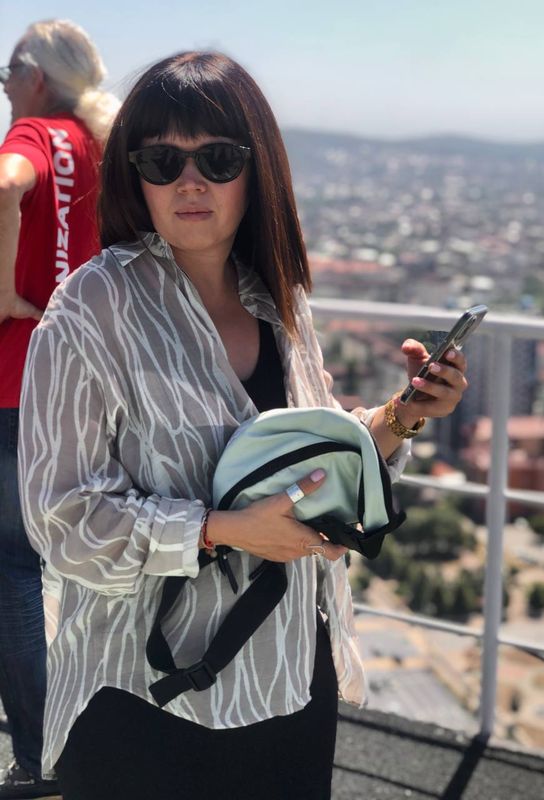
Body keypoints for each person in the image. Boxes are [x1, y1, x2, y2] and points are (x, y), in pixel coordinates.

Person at [18, 51, 467, 800]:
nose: (190, 182)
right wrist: (221, 531)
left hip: (286, 677)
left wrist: (402, 416)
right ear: (136, 176)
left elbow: (310, 457)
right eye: (163, 161)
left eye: (218, 159)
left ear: (256, 171)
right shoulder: (90, 311)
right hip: (144, 697)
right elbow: (60, 520)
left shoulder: (279, 300)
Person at [0, 19, 119, 799]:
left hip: (16, 385)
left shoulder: (34, 133)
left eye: (8, 72)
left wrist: (5, 294)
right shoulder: (103, 142)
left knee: (12, 569)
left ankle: (41, 756)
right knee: (87, 559)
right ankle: (100, 735)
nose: (5, 86)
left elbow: (5, 185)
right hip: (91, 384)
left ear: (36, 76)